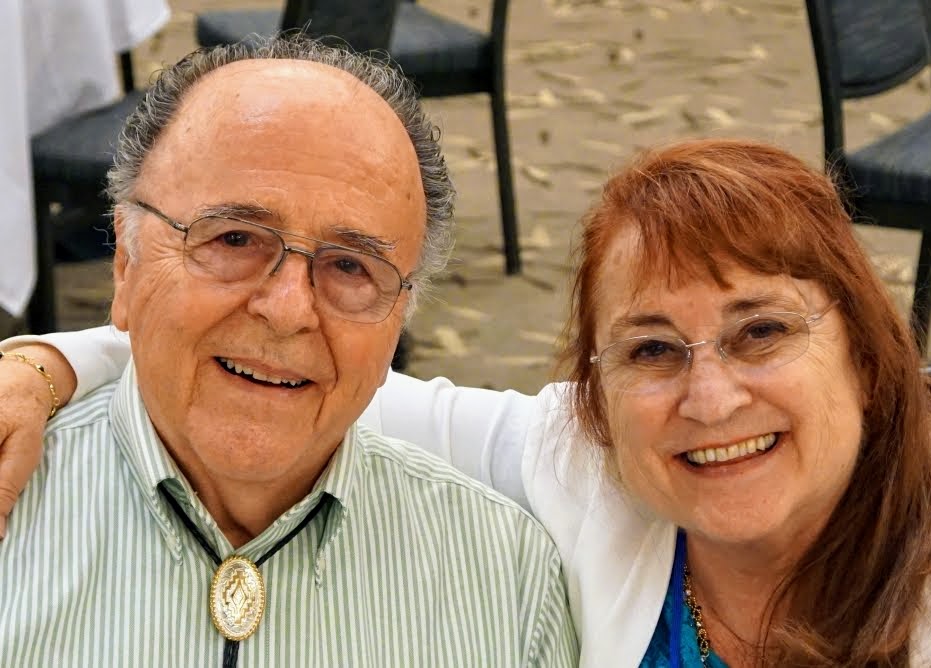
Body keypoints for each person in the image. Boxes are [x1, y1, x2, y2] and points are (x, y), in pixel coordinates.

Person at [3, 139, 931, 667]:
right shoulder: (586, 460)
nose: (709, 396)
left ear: (864, 348)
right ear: (597, 397)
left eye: (761, 331)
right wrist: (46, 366)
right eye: (651, 349)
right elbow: (309, 380)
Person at [0, 36, 579, 667]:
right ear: (124, 263)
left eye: (351, 266)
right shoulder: (14, 514)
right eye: (235, 239)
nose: (287, 310)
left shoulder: (507, 582)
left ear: (400, 316)